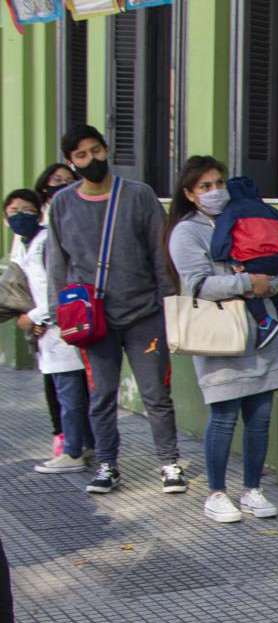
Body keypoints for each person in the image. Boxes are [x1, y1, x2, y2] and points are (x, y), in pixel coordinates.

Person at [45, 124, 185, 495]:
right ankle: (107, 464)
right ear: (70, 162)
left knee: (156, 394)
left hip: (144, 315)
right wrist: (60, 314)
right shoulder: (62, 204)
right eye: (81, 155)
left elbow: (161, 254)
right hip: (93, 321)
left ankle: (169, 463)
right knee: (101, 396)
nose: (91, 159)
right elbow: (56, 263)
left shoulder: (139, 196)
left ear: (107, 150)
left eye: (96, 150)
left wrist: (168, 304)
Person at [167, 156, 278, 523]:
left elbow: (277, 264)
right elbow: (198, 284)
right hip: (219, 333)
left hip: (263, 330)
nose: (215, 191)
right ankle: (217, 493)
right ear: (190, 193)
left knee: (261, 415)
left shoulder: (247, 216)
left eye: (219, 182)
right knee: (223, 416)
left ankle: (252, 489)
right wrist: (246, 283)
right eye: (205, 186)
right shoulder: (186, 232)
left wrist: (265, 281)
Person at [5, 189, 94, 474]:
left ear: (39, 211)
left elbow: (53, 288)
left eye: (27, 209)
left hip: (59, 326)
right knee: (67, 391)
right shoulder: (24, 244)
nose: (20, 215)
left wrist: (33, 317)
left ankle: (72, 452)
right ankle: (87, 445)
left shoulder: (45, 242)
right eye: (13, 210)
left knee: (69, 393)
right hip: (48, 330)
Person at [208, 175, 278, 349]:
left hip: (253, 259)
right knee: (267, 282)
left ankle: (264, 322)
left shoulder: (232, 209)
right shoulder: (270, 209)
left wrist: (221, 257)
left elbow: (222, 236)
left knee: (249, 285)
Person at [32, 163, 82, 458]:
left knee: (73, 388)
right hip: (45, 321)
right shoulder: (36, 232)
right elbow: (27, 279)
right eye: (56, 181)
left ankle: (75, 447)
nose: (62, 186)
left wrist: (43, 315)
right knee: (54, 383)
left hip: (71, 315)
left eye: (68, 181)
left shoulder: (75, 222)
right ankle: (64, 438)